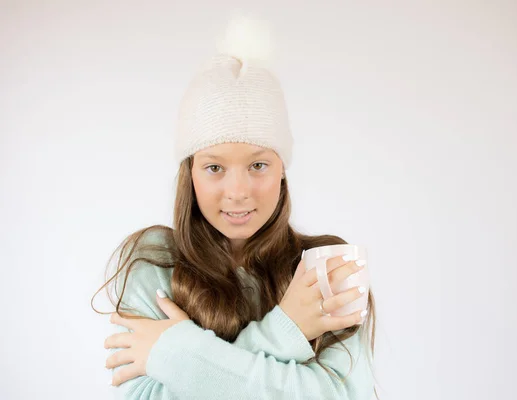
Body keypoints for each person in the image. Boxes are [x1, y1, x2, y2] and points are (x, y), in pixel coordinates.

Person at [91, 14, 377, 400]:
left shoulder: (323, 267)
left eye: (258, 165)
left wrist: (176, 354)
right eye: (214, 167)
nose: (238, 191)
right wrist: (287, 329)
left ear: (282, 171)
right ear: (189, 173)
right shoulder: (152, 262)